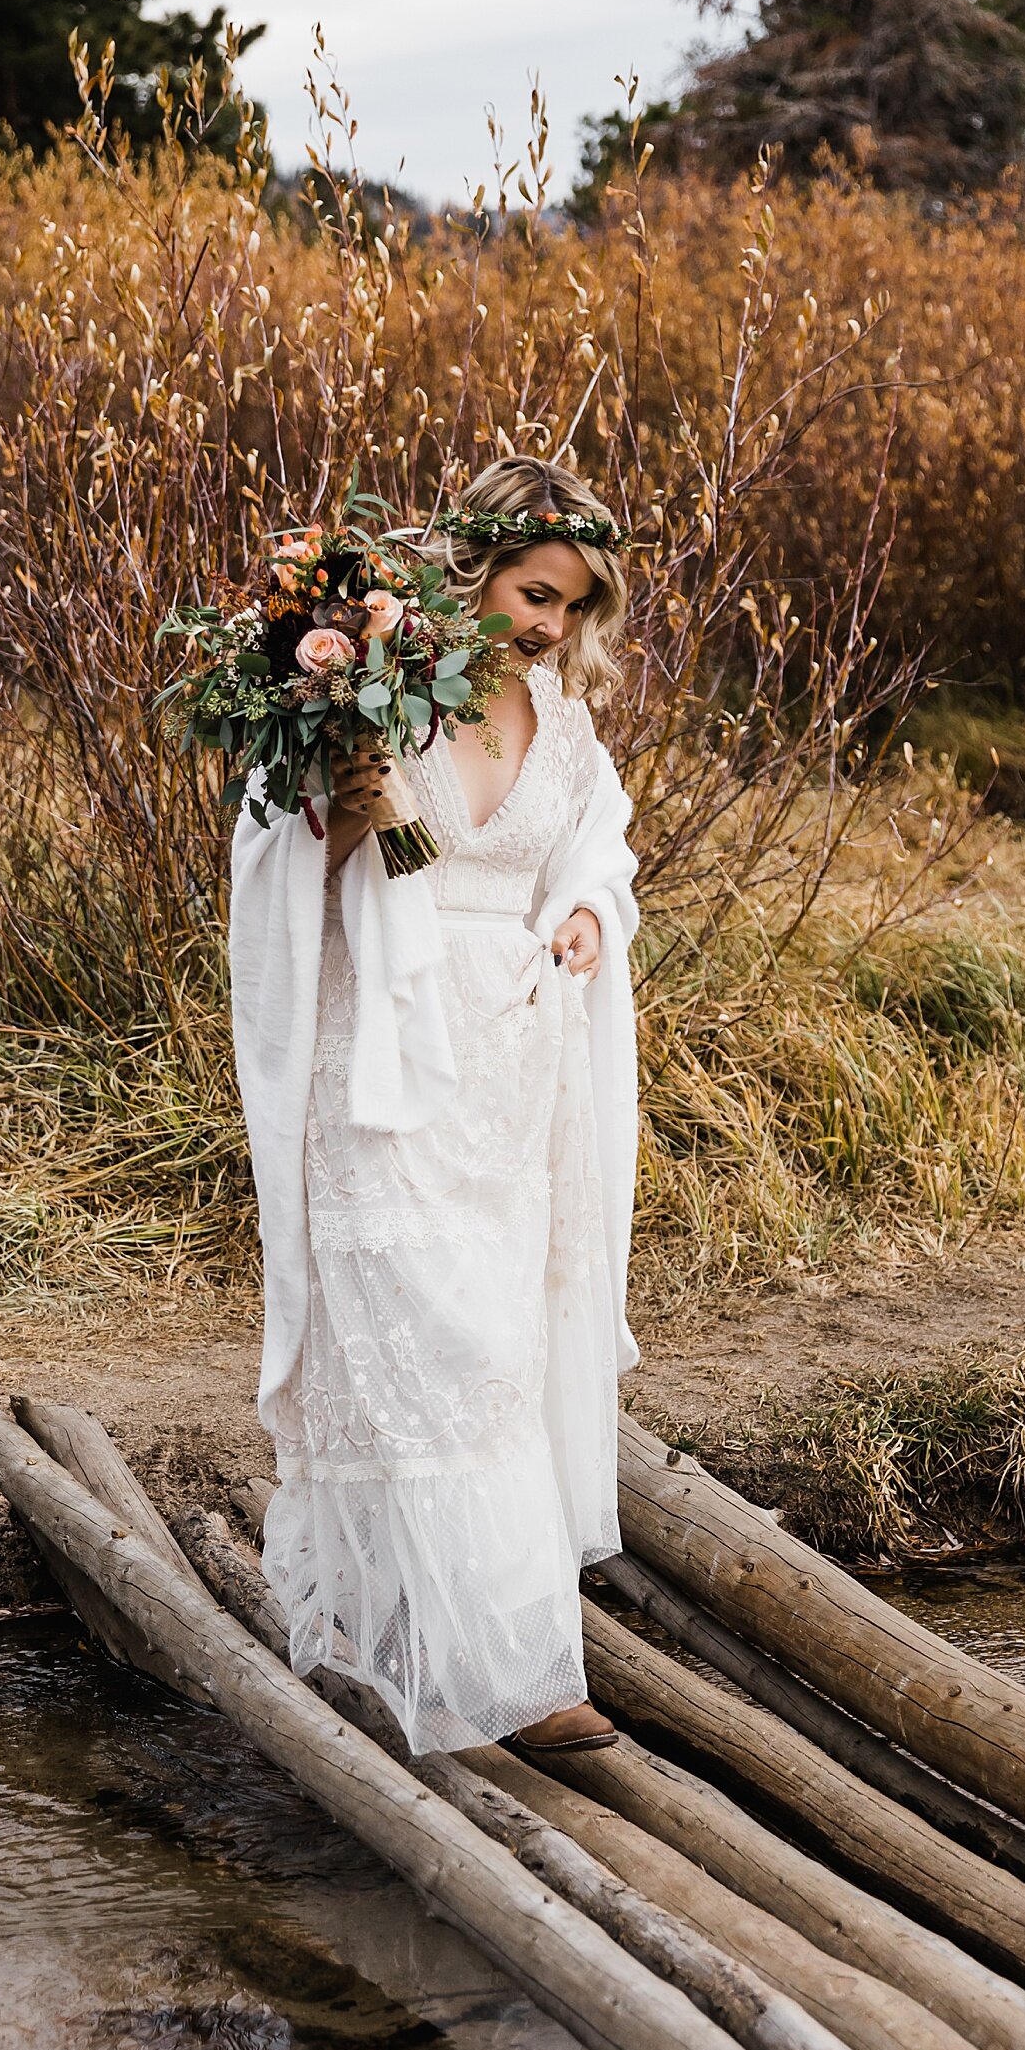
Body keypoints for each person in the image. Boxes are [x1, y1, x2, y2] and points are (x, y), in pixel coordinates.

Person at [227, 456, 640, 1755]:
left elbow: (596, 832)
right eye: (534, 592)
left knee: (495, 1354)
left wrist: (583, 910)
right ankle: (498, 1672)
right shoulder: (381, 702)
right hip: (385, 1061)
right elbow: (292, 846)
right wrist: (340, 797)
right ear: (475, 574)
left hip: (510, 1073)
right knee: (412, 1348)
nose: (550, 626)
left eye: (570, 604)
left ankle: (455, 1640)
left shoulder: (557, 713)